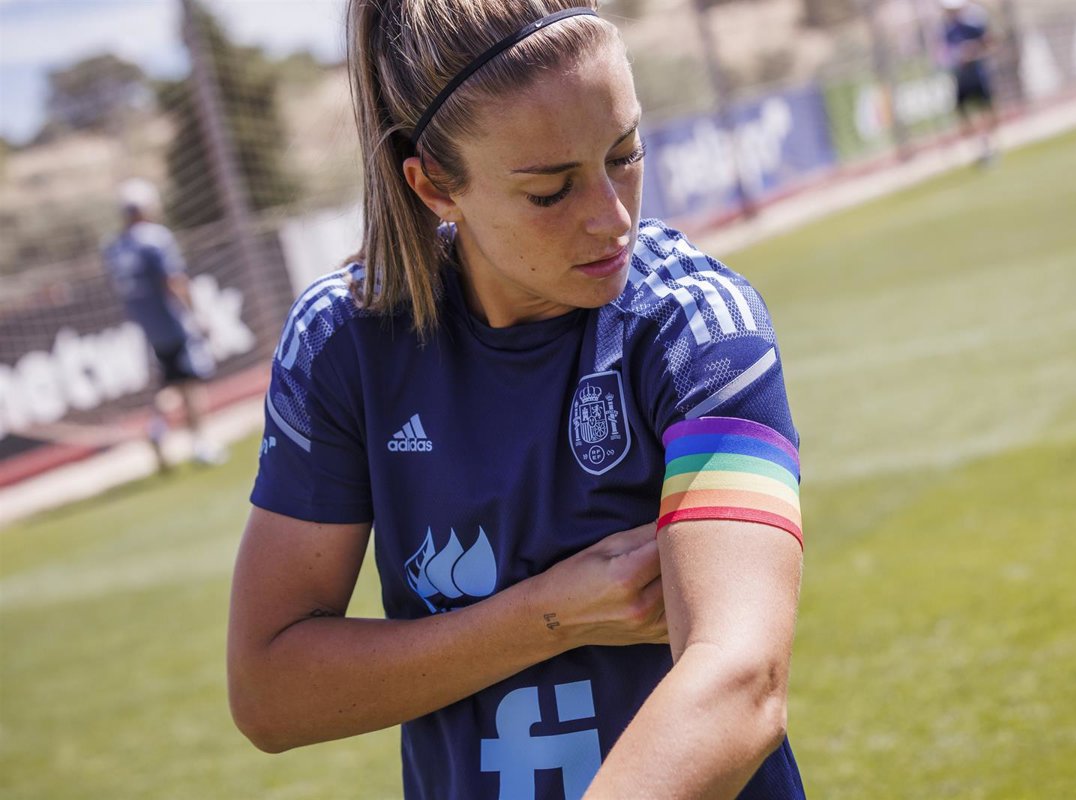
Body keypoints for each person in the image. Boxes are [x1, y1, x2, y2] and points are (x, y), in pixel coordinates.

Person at [228, 2, 806, 798]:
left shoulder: (698, 328)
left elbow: (742, 681)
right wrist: (547, 615)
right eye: (549, 191)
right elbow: (267, 693)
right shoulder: (343, 342)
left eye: (625, 154)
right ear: (435, 187)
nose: (612, 218)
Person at [103, 178, 227, 468]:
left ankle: (157, 427)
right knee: (191, 383)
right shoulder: (154, 238)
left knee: (171, 383)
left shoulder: (115, 247)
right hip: (172, 321)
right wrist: (196, 313)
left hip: (149, 326)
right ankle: (201, 445)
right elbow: (173, 280)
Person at [941, 0, 1000, 165]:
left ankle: (989, 144)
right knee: (965, 115)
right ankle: (980, 147)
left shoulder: (973, 25)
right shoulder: (947, 32)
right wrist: (957, 57)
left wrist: (973, 51)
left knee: (987, 110)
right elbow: (943, 54)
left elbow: (990, 43)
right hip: (962, 78)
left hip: (978, 74)